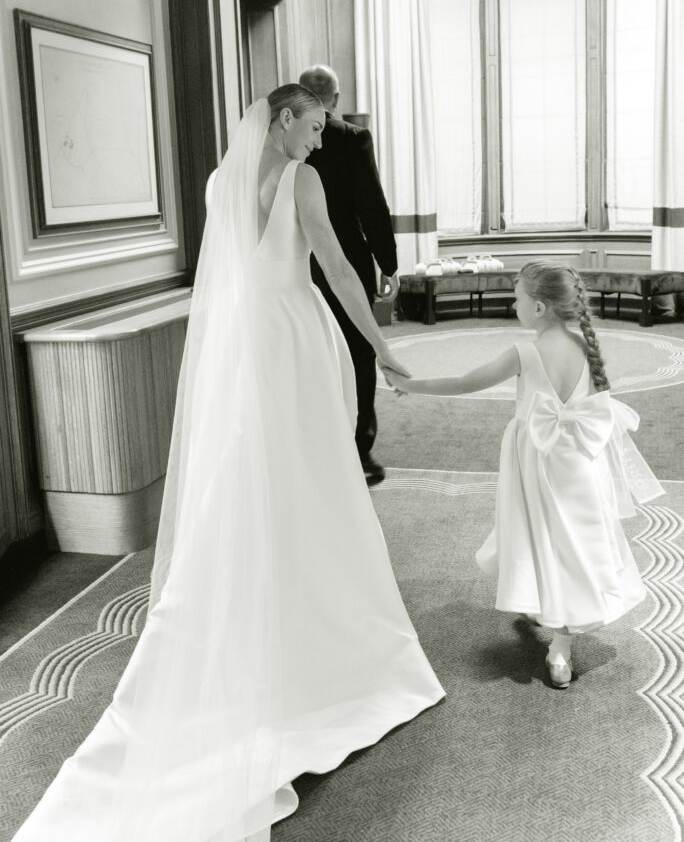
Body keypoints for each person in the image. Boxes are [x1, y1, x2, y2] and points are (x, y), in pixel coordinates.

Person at [12, 86, 444, 842]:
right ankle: (323, 638)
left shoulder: (220, 179)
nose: (317, 141)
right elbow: (339, 269)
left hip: (240, 345)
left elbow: (225, 275)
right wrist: (384, 349)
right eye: (311, 126)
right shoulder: (300, 179)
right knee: (310, 482)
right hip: (291, 335)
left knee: (252, 475)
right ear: (282, 119)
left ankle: (252, 597)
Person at [386, 261, 663, 689]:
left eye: (516, 297)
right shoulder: (587, 345)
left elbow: (464, 383)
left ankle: (559, 644)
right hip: (580, 463)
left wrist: (413, 385)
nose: (513, 304)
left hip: (537, 460)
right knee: (575, 541)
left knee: (540, 536)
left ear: (537, 306)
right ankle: (559, 637)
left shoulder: (525, 353)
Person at [299, 64, 399, 485]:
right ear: (336, 100)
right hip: (347, 264)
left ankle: (316, 448)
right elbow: (370, 204)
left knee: (312, 354)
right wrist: (388, 265)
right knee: (359, 354)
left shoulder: (278, 142)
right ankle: (360, 452)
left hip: (299, 264)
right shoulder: (353, 137)